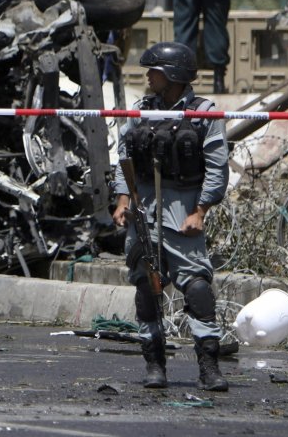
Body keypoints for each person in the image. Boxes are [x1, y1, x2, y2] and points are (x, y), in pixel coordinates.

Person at [112, 41, 229, 392]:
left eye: (155, 71)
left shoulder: (203, 112)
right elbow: (124, 159)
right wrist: (122, 202)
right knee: (147, 287)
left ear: (173, 76)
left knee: (197, 288)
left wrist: (201, 210)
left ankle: (209, 367)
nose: (148, 76)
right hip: (143, 205)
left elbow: (217, 165)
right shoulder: (141, 109)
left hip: (183, 207)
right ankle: (154, 364)